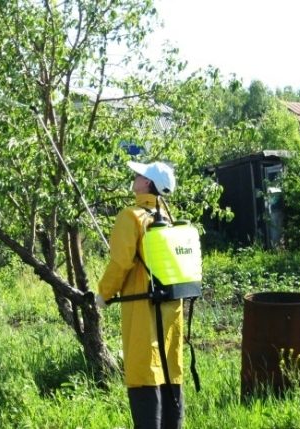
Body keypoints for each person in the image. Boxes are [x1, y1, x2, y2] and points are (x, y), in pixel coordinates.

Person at [97, 160, 184, 429]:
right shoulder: (169, 219)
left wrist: (103, 295)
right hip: (171, 310)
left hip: (142, 311)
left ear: (147, 184)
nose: (134, 177)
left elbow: (121, 263)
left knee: (143, 372)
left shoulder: (131, 216)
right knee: (169, 371)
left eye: (139, 174)